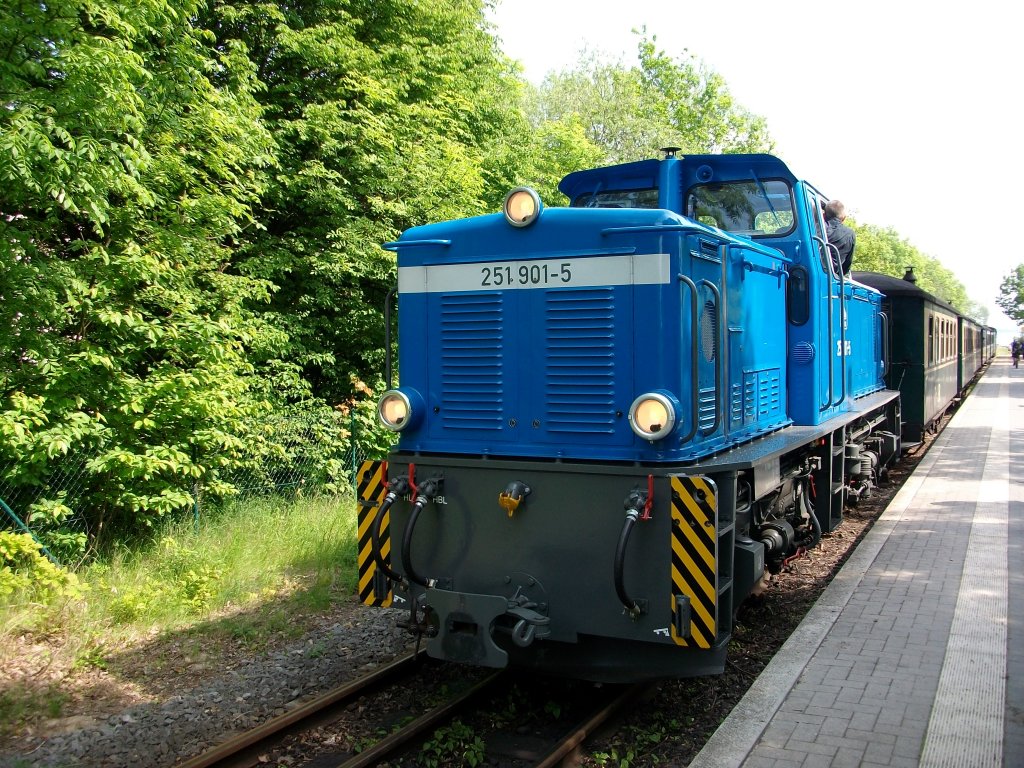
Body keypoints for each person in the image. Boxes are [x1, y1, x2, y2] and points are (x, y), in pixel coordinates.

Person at [824, 199, 856, 276]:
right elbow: (847, 264)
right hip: (832, 277)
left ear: (824, 215)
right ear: (843, 218)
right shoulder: (850, 234)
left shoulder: (814, 228)